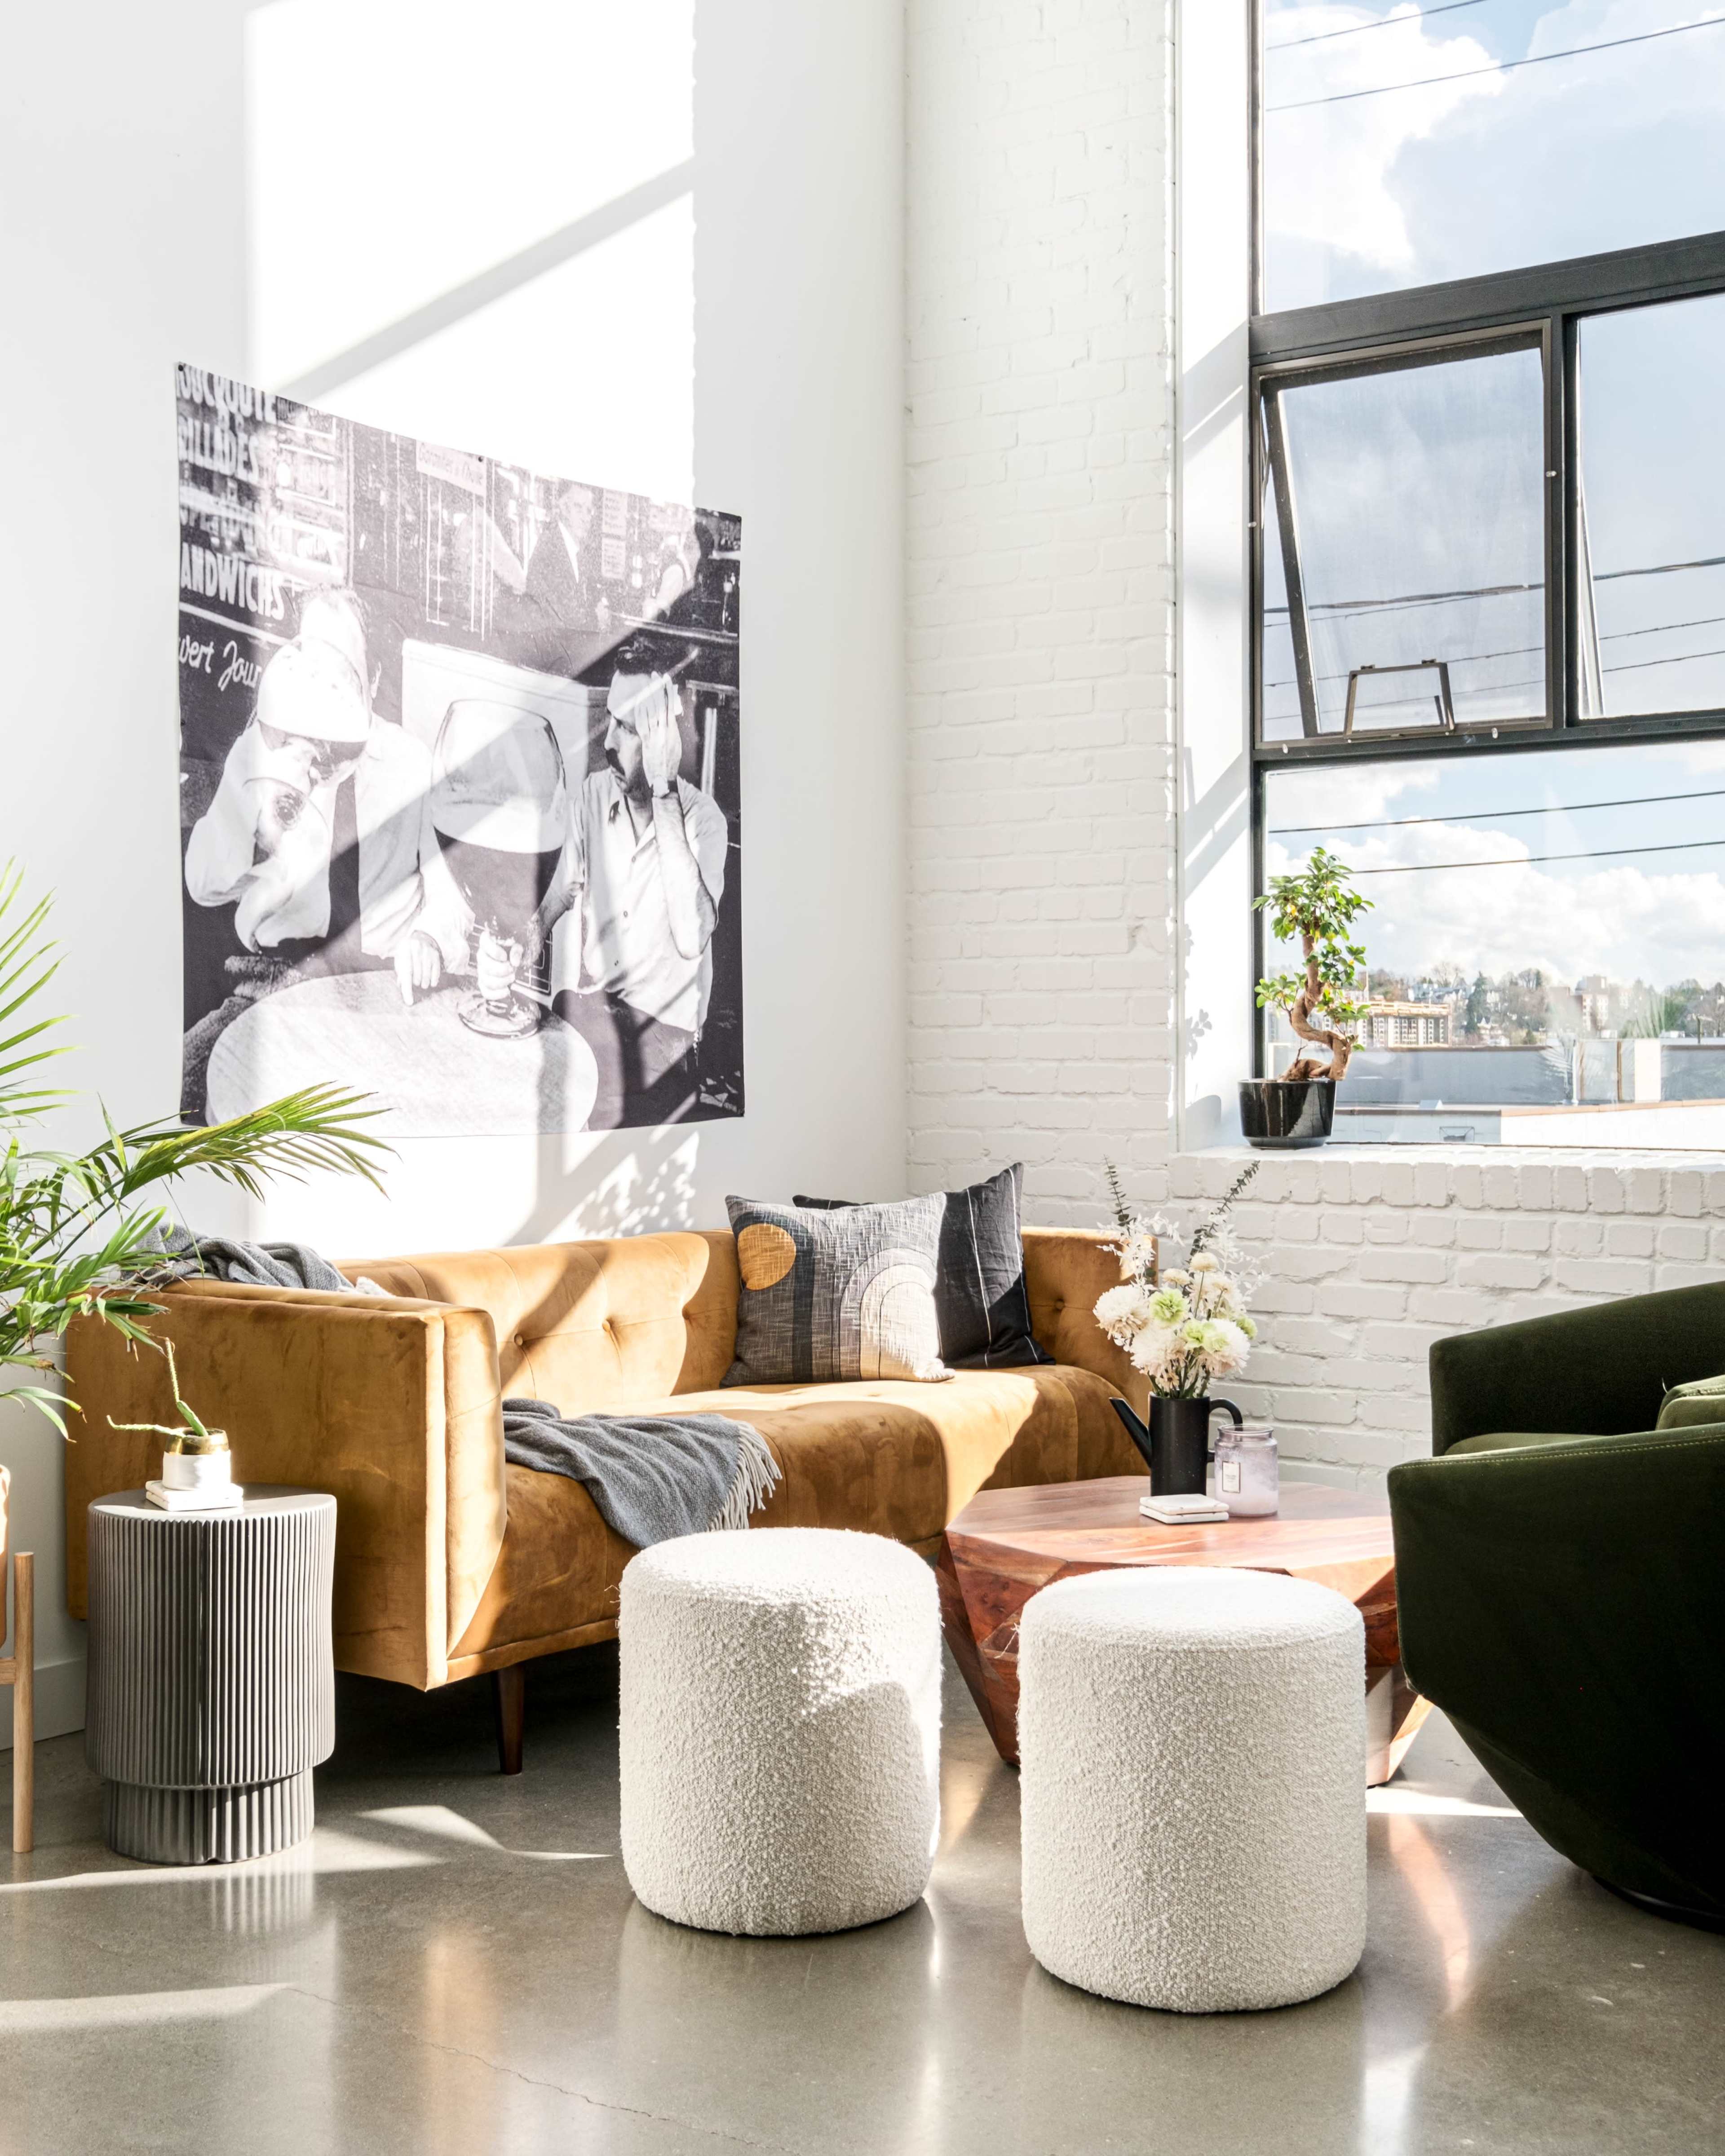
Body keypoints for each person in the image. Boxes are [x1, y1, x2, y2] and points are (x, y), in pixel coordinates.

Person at [181, 592, 466, 1114]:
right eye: (311, 665)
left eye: (344, 673)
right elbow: (202, 883)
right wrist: (263, 811)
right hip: (270, 985)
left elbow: (454, 903)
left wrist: (430, 936)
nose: (324, 689)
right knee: (182, 1105)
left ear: (373, 683)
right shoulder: (258, 752)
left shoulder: (412, 762)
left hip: (379, 993)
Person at [551, 665, 728, 1125]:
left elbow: (692, 938)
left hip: (664, 1038)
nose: (607, 742)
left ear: (661, 736)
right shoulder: (592, 794)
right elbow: (562, 891)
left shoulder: (704, 822)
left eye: (626, 728)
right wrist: (527, 935)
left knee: (599, 1127)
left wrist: (664, 786)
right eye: (610, 721)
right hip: (595, 1010)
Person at [513, 482, 613, 675]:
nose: (586, 518)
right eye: (579, 508)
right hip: (548, 668)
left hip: (566, 663)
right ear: (563, 510)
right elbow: (563, 618)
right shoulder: (550, 549)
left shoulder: (579, 553)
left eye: (589, 510)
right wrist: (597, 617)